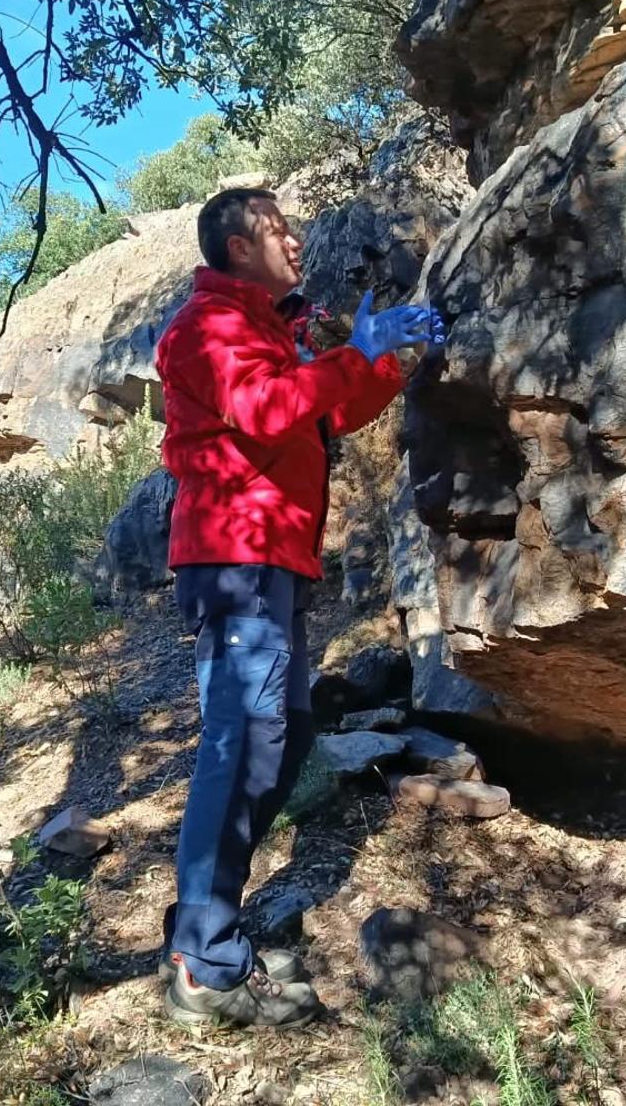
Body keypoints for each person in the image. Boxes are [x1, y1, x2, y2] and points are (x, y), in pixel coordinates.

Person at [153, 187, 439, 1029]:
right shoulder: (207, 326)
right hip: (236, 552)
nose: (296, 243)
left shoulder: (270, 329)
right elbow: (272, 409)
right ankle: (204, 964)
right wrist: (352, 349)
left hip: (274, 554)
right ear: (237, 247)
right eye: (279, 231)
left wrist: (378, 356)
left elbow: (333, 410)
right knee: (241, 742)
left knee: (285, 737)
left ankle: (205, 928)